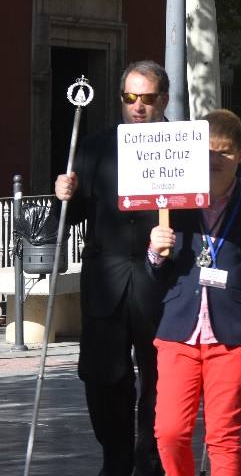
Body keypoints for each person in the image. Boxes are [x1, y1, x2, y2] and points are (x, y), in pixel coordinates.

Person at [148, 109, 241, 476]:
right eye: (208, 151)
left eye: (225, 151)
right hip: (178, 330)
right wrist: (154, 251)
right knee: (169, 431)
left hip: (232, 335)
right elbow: (156, 270)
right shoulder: (173, 201)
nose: (215, 159)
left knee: (223, 436)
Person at [53, 60, 172, 476]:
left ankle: (150, 457)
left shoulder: (183, 147)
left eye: (148, 98)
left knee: (162, 378)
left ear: (165, 99)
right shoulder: (96, 146)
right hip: (106, 283)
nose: (138, 106)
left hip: (162, 284)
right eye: (129, 97)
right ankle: (115, 457)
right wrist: (62, 195)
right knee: (103, 379)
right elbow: (68, 219)